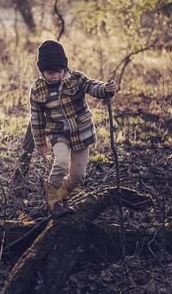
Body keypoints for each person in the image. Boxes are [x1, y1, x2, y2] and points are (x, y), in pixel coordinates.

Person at [29, 40, 118, 217]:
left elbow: (93, 86)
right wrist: (40, 142)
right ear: (42, 71)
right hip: (58, 134)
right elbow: (37, 118)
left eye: (59, 72)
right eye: (50, 72)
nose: (55, 76)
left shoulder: (76, 79)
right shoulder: (37, 89)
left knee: (77, 176)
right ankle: (53, 200)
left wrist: (106, 89)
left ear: (65, 68)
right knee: (61, 163)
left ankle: (62, 196)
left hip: (81, 133)